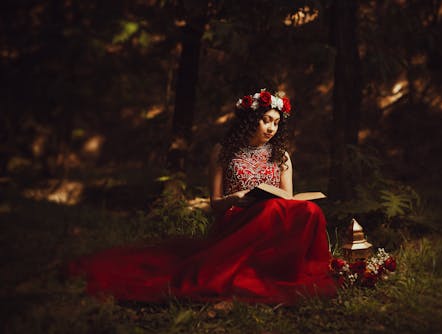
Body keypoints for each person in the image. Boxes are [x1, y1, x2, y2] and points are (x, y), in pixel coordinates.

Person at [66, 89, 338, 304]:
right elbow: (215, 204)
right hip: (236, 221)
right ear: (250, 119)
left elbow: (287, 200)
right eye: (266, 120)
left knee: (309, 211)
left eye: (276, 123)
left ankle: (294, 267)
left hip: (273, 220)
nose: (271, 128)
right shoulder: (224, 151)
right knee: (270, 211)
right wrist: (235, 198)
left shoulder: (282, 156)